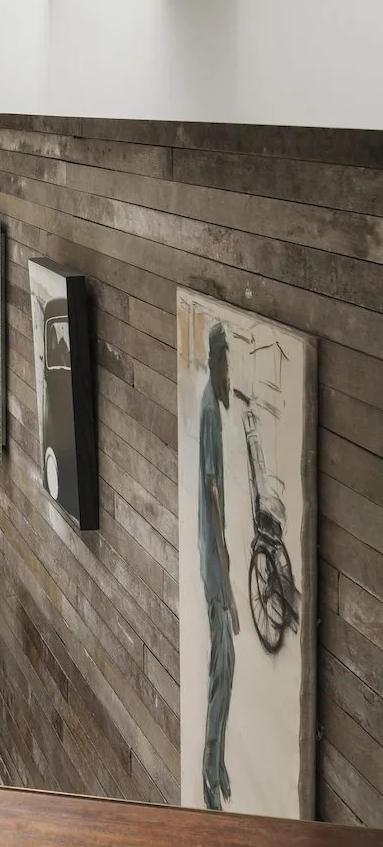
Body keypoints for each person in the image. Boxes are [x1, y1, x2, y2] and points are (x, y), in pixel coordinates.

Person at [199, 321, 239, 808]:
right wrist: (227, 568)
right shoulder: (210, 412)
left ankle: (216, 760)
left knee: (222, 666)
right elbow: (210, 493)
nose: (231, 372)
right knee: (222, 669)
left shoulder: (215, 409)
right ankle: (211, 769)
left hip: (215, 563)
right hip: (214, 568)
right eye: (227, 361)